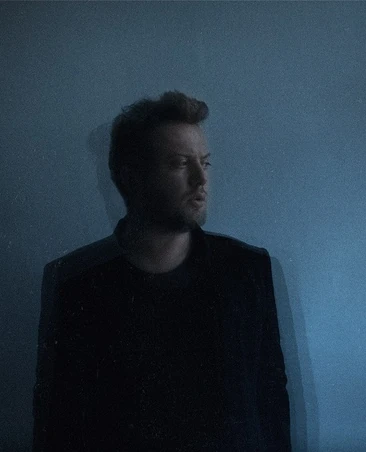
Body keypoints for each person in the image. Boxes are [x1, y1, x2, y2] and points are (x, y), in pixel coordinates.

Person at [32, 91, 291, 451]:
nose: (201, 179)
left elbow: (272, 407)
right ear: (131, 177)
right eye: (180, 164)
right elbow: (57, 426)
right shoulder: (77, 284)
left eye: (205, 163)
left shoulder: (248, 272)